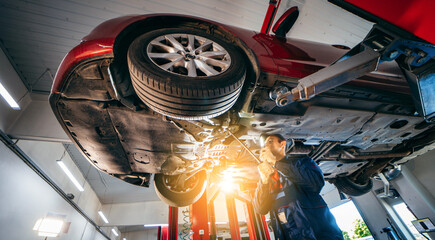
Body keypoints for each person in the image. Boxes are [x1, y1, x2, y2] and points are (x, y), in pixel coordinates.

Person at [253, 134, 344, 240]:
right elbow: (260, 209)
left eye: (270, 142)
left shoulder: (302, 162)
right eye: (264, 144)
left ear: (282, 144)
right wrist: (263, 181)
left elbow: (315, 184)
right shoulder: (267, 177)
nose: (266, 146)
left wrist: (276, 163)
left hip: (319, 235)